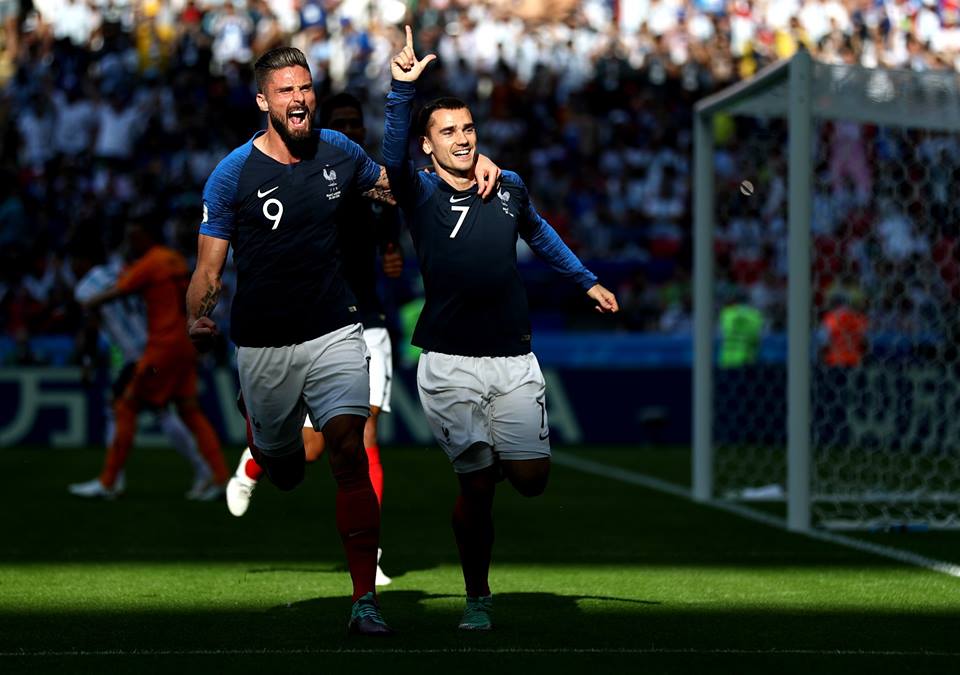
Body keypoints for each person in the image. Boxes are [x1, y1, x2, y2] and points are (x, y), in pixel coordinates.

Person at [185, 46, 500, 636]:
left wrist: (468, 167)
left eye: (305, 87)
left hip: (337, 328)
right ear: (263, 101)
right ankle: (261, 445)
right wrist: (197, 319)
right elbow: (207, 270)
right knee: (286, 471)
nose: (299, 98)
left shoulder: (340, 151)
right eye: (285, 90)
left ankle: (364, 602)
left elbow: (400, 189)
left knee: (350, 450)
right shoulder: (232, 175)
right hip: (263, 342)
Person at [382, 27, 619, 632]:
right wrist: (401, 91)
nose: (463, 139)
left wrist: (584, 280)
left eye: (468, 129)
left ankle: (488, 471)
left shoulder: (506, 185)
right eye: (448, 132)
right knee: (478, 489)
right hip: (449, 362)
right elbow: (390, 159)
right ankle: (477, 597)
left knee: (531, 481)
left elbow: (539, 232)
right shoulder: (419, 192)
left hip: (513, 357)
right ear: (428, 147)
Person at [225, 91, 404, 588]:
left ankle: (370, 551)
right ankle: (255, 460)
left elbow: (390, 237)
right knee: (307, 451)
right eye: (339, 121)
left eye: (354, 122)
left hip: (366, 322)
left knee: (364, 437)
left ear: (363, 129)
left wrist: (393, 256)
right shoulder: (312, 174)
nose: (348, 129)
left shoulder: (371, 181)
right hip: (314, 325)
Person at [68, 219, 230, 500]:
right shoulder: (160, 262)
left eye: (134, 236)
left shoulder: (141, 266)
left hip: (153, 348)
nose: (131, 243)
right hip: (181, 341)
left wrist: (88, 308)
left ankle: (110, 482)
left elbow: (105, 306)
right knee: (183, 410)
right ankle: (216, 475)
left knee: (125, 406)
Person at [718, 291, 764, 368]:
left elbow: (722, 333)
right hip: (747, 358)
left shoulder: (726, 313)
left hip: (727, 358)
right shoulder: (755, 315)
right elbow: (757, 337)